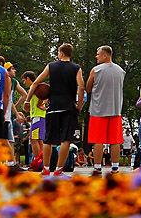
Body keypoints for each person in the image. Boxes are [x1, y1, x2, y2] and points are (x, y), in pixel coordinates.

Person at [24, 43, 85, 176]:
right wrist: (79, 105)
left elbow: (35, 83)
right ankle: (58, 170)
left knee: (48, 139)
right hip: (68, 107)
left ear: (61, 53)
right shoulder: (76, 68)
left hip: (52, 108)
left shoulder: (51, 66)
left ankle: (45, 169)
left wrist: (27, 100)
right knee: (65, 140)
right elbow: (81, 87)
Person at [86, 45, 125, 176]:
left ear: (105, 55)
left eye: (98, 54)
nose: (96, 56)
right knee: (115, 140)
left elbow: (88, 87)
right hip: (115, 109)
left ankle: (97, 167)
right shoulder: (120, 71)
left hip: (98, 109)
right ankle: (115, 166)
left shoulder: (96, 70)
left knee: (98, 140)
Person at [22, 71, 47, 162]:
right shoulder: (34, 88)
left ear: (28, 78)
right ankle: (42, 162)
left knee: (33, 139)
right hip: (38, 116)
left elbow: (45, 93)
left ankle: (37, 161)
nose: (24, 83)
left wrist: (40, 104)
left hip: (38, 116)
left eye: (24, 80)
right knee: (39, 140)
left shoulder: (35, 87)